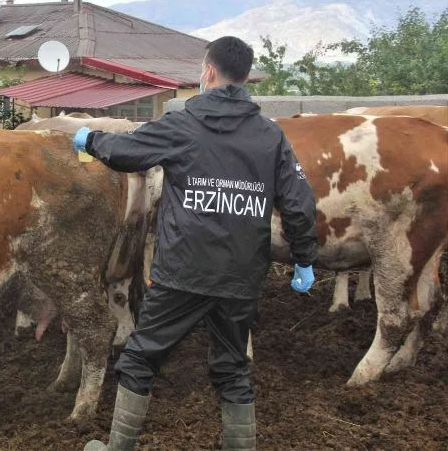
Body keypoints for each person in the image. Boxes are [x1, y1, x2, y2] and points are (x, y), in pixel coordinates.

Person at [74, 36, 318, 451]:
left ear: (208, 72)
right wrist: (304, 259)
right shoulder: (269, 135)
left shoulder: (183, 125)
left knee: (140, 358)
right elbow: (299, 202)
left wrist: (90, 140)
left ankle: (117, 448)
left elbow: (129, 151)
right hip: (241, 276)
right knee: (233, 368)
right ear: (244, 78)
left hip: (182, 273)